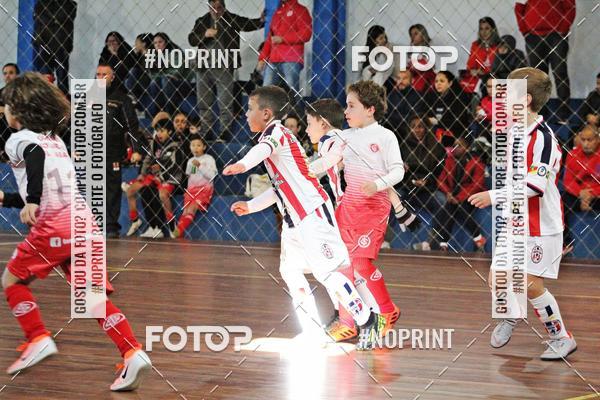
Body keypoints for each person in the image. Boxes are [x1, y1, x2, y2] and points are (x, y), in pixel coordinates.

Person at [0, 72, 151, 390]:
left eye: (7, 105)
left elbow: (34, 159)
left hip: (54, 226)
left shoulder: (19, 140)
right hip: (84, 224)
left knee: (12, 280)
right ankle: (132, 352)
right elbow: (47, 184)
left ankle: (37, 338)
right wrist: (11, 199)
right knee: (93, 298)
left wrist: (33, 200)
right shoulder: (56, 141)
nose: (4, 111)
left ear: (20, 109)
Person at [224, 85, 386, 350]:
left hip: (312, 214)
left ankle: (368, 320)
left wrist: (242, 165)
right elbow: (279, 188)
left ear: (266, 113)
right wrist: (251, 206)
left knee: (328, 272)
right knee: (290, 271)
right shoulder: (273, 140)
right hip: (294, 222)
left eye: (250, 108)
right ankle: (312, 330)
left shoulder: (276, 133)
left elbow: (260, 152)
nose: (245, 114)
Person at [469, 67, 577, 360]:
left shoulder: (543, 139)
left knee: (530, 284)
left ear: (526, 99)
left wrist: (493, 196)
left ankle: (561, 337)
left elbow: (534, 185)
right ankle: (511, 315)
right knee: (497, 279)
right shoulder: (512, 132)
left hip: (541, 225)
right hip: (514, 221)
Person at [304, 82, 404, 341]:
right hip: (348, 207)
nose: (346, 111)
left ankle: (387, 310)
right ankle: (348, 321)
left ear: (370, 109)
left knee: (360, 262)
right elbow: (328, 161)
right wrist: (304, 171)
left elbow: (398, 171)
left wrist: (378, 184)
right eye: (346, 106)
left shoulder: (386, 137)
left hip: (373, 208)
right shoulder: (345, 137)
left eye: (351, 106)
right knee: (340, 263)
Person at [189, 0, 264, 142]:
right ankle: (207, 132)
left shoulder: (231, 19)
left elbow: (248, 24)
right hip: (203, 67)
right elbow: (191, 39)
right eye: (213, 8)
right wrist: (204, 34)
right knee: (204, 103)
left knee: (225, 102)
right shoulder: (202, 21)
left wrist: (261, 21)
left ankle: (224, 133)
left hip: (224, 67)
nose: (216, 11)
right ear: (209, 7)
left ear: (224, 7)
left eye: (219, 8)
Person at [96, 64, 144, 238]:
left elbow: (132, 126)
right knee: (93, 187)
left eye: (105, 74)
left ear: (113, 77)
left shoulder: (122, 99)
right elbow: (78, 124)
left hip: (113, 151)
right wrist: (77, 147)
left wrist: (136, 149)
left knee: (112, 188)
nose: (101, 77)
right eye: (98, 74)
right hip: (92, 150)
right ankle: (93, 224)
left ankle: (110, 227)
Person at [515, 0, 575, 122]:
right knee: (537, 77)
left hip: (556, 36)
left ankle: (563, 115)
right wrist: (525, 30)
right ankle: (539, 114)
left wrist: (562, 29)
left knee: (560, 73)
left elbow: (570, 6)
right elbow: (519, 7)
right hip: (533, 37)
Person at [125, 119, 184, 238]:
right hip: (155, 176)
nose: (159, 133)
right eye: (157, 131)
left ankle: (171, 225)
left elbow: (175, 166)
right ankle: (137, 221)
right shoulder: (154, 143)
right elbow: (148, 159)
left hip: (170, 178)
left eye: (162, 131)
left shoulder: (176, 146)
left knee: (162, 194)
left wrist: (161, 176)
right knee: (131, 190)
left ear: (170, 131)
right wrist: (142, 173)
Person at [430, 136, 487, 251]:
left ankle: (443, 242)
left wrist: (459, 198)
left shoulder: (477, 162)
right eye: (454, 145)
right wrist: (448, 193)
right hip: (454, 195)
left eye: (460, 146)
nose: (455, 148)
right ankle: (478, 239)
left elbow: (477, 185)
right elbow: (440, 180)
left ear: (467, 148)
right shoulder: (449, 161)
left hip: (473, 195)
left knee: (457, 207)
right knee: (450, 206)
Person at [257, 0, 312, 102]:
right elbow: (270, 38)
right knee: (266, 92)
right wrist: (262, 58)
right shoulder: (278, 12)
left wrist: (283, 39)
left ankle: (295, 112)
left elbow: (306, 33)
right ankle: (269, 112)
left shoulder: (301, 10)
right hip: (273, 60)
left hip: (291, 60)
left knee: (291, 93)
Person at [399, 115, 446, 214]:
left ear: (426, 128)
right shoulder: (402, 146)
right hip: (407, 188)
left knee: (442, 200)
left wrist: (427, 181)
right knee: (391, 199)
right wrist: (411, 181)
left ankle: (436, 225)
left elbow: (439, 172)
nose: (417, 130)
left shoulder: (437, 148)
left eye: (420, 126)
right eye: (413, 126)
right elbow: (397, 175)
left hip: (428, 190)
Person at [173, 135, 217, 238]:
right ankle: (179, 233)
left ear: (204, 147)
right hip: (191, 191)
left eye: (198, 145)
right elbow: (190, 175)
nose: (195, 148)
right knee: (186, 211)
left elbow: (212, 176)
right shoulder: (190, 161)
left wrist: (200, 166)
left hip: (204, 190)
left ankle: (177, 231)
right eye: (193, 145)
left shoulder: (209, 159)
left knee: (192, 208)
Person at [562, 125, 600, 246]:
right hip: (578, 194)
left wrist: (591, 194)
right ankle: (565, 242)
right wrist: (581, 194)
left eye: (589, 140)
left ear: (597, 139)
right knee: (559, 202)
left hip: (597, 195)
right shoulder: (572, 154)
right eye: (583, 140)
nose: (586, 144)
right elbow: (568, 181)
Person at [32, 0, 77, 94]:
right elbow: (39, 17)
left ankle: (63, 100)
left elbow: (62, 17)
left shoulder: (70, 4)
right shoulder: (41, 3)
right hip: (43, 44)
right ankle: (46, 100)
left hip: (61, 47)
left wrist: (46, 20)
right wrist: (54, 21)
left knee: (62, 81)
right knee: (45, 80)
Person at [148, 32, 194, 115]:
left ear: (166, 42)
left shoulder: (175, 52)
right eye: (155, 43)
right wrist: (163, 75)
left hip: (184, 82)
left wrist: (163, 75)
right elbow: (152, 75)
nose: (157, 45)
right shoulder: (154, 57)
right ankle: (160, 113)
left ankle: (171, 112)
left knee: (166, 80)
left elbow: (177, 72)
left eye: (160, 42)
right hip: (167, 82)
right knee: (154, 83)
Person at [424, 71, 472, 146]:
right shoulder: (432, 97)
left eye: (442, 81)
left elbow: (458, 121)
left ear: (450, 83)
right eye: (436, 81)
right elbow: (427, 115)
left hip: (456, 134)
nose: (438, 84)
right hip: (437, 132)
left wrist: (438, 122)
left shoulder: (459, 98)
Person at [462, 17, 500, 94]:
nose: (484, 32)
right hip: (480, 80)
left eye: (487, 28)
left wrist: (486, 73)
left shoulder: (500, 45)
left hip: (496, 79)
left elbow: (502, 67)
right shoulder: (475, 45)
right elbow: (470, 66)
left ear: (493, 30)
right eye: (481, 29)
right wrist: (473, 71)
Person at [383, 69, 424, 140]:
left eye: (404, 78)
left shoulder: (418, 96)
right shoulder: (391, 95)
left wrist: (393, 117)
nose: (401, 81)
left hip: (408, 132)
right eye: (399, 78)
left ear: (412, 80)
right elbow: (386, 115)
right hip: (391, 131)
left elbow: (413, 118)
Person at [407, 24, 436, 93]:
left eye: (416, 34)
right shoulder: (410, 52)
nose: (413, 37)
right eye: (411, 35)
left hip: (427, 82)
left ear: (423, 34)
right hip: (414, 81)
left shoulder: (431, 48)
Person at [0, 63, 20, 160]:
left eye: (11, 73)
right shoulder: (0, 92)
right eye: (5, 73)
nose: (7, 76)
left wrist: (4, 110)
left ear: (17, 75)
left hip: (16, 136)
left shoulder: (23, 92)